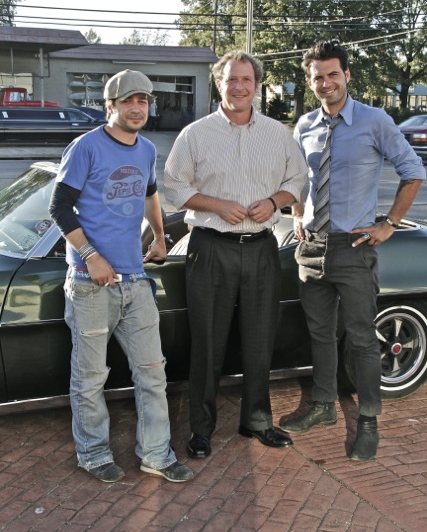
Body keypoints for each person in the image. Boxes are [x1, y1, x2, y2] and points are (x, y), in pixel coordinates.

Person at [279, 40, 426, 461]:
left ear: (346, 75)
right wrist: (296, 215)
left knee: (361, 339)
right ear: (310, 82)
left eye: (332, 74)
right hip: (312, 248)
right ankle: (324, 407)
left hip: (354, 248)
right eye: (317, 77)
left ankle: (368, 422)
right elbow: (297, 179)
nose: (325, 82)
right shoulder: (304, 124)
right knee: (320, 334)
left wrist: (389, 224)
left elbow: (412, 172)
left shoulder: (374, 120)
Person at [49, 69, 193, 484]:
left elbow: (149, 193)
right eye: (128, 101)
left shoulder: (146, 149)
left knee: (153, 372)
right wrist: (91, 256)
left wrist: (161, 237)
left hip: (135, 281)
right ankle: (93, 454)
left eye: (143, 101)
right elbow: (59, 209)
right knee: (91, 377)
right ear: (110, 106)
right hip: (90, 285)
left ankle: (155, 454)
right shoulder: (85, 148)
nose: (137, 108)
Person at [164, 50, 308, 459]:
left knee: (260, 340)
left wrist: (275, 200)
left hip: (262, 249)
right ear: (219, 83)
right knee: (207, 342)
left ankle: (257, 420)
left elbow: (298, 179)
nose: (239, 87)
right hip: (211, 249)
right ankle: (202, 429)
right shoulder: (195, 134)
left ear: (257, 86)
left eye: (246, 80)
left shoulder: (278, 134)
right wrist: (214, 204)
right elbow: (174, 186)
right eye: (231, 80)